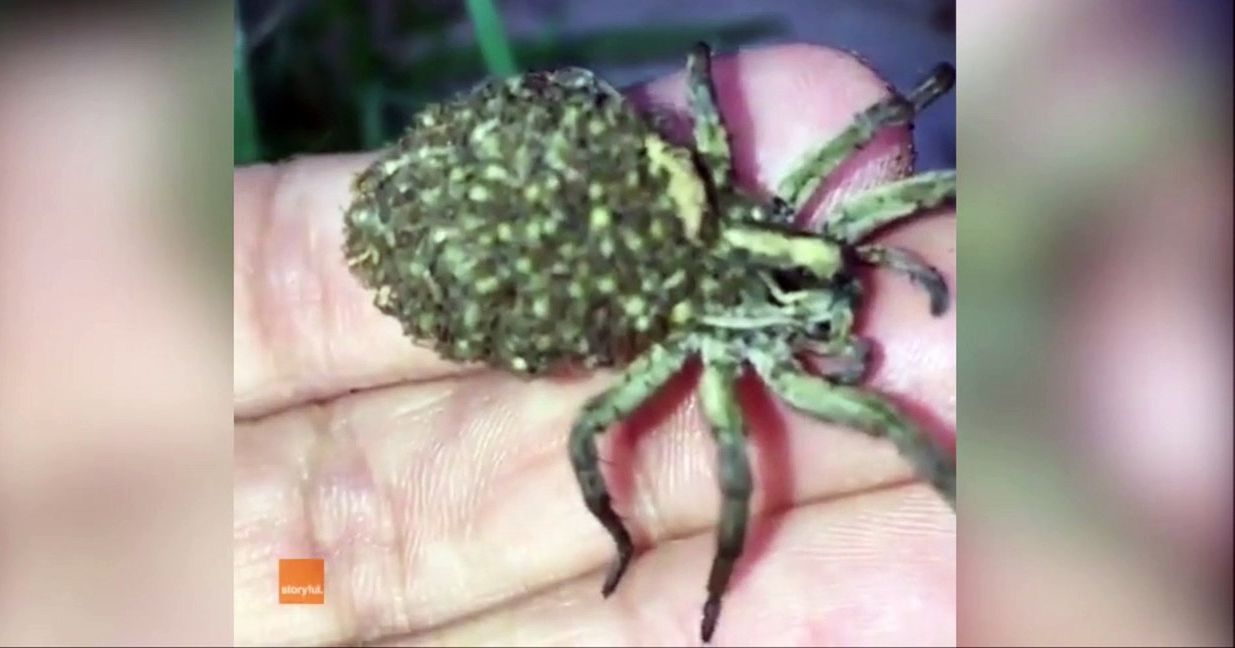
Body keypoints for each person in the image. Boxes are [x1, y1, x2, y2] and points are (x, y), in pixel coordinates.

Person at [233, 43, 957, 646]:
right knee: (832, 441)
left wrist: (916, 99)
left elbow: (786, 106)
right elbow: (621, 442)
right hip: (672, 276)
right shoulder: (732, 343)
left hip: (686, 226)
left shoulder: (805, 211)